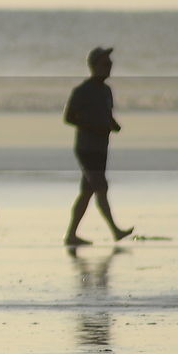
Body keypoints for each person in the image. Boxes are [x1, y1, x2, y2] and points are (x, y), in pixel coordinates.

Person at [63, 46, 133, 246]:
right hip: (86, 148)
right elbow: (68, 117)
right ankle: (115, 230)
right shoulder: (82, 90)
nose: (109, 67)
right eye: (105, 64)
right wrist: (94, 127)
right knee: (101, 186)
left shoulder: (106, 90)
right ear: (94, 66)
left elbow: (106, 114)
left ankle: (71, 235)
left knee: (87, 192)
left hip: (101, 147)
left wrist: (113, 124)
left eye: (110, 63)